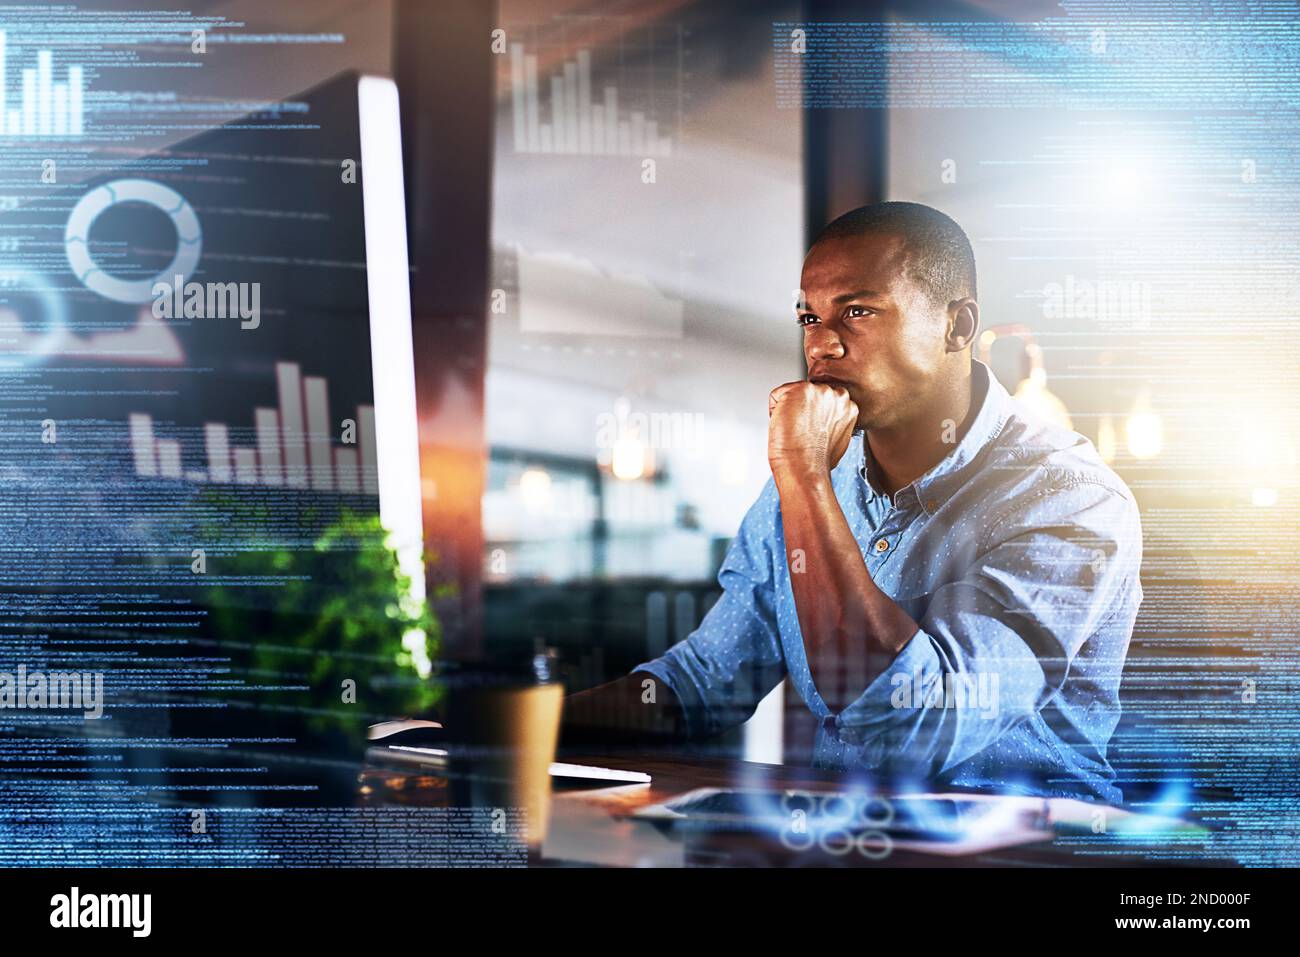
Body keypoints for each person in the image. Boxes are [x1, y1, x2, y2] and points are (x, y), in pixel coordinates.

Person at [563, 202, 1143, 803]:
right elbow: (703, 682)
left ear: (958, 325)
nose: (821, 345)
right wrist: (521, 728)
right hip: (845, 832)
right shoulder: (809, 483)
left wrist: (802, 473)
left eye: (858, 312)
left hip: (1028, 838)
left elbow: (912, 726)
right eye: (809, 318)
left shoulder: (1069, 496)